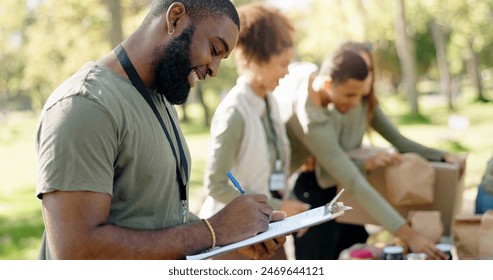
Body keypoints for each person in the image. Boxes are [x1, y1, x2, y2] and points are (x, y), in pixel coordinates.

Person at [35, 0, 287, 260]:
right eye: (214, 49)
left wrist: (233, 239)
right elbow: (76, 251)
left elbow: (158, 218)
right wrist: (214, 231)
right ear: (175, 18)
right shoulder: (86, 104)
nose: (214, 69)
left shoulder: (161, 100)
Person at [273, 43, 463, 260]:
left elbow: (394, 141)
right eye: (350, 95)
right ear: (327, 84)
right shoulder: (312, 119)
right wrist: (411, 236)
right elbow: (353, 180)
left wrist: (441, 155)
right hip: (293, 188)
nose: (356, 103)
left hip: (337, 187)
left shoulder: (330, 91)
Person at [198, 2, 309, 259]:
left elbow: (272, 173)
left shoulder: (270, 103)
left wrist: (289, 207)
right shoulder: (234, 112)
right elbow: (215, 186)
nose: (287, 72)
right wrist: (282, 207)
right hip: (234, 241)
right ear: (257, 60)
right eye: (283, 63)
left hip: (266, 231)